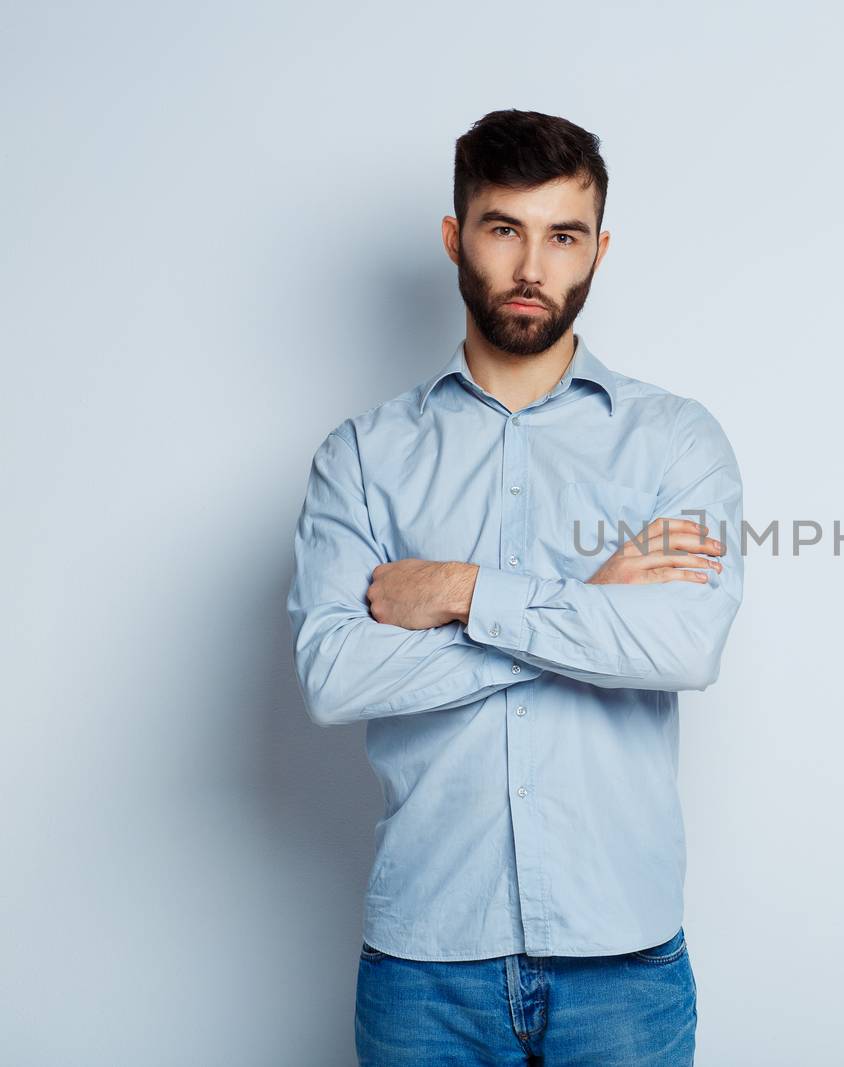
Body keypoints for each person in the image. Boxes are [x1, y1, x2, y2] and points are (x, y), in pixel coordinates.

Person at [285, 108, 744, 1066]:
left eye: (563, 235)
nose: (534, 265)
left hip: (624, 963)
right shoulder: (365, 457)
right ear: (457, 238)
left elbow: (682, 646)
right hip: (424, 962)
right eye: (505, 229)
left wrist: (460, 590)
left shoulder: (675, 442)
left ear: (598, 251)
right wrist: (588, 609)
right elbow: (334, 676)